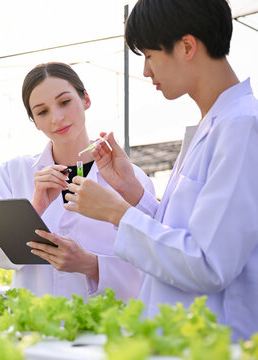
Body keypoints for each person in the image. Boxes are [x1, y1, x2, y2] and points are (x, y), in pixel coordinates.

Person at [62, 0, 258, 341]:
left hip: (215, 342)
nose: (146, 71)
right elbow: (186, 234)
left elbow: (208, 264)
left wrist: (117, 214)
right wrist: (136, 196)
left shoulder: (242, 127)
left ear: (186, 47)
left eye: (149, 55)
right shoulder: (215, 125)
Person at [0, 62, 155, 300]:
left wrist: (91, 265)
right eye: (42, 112)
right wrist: (35, 208)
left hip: (105, 327)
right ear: (34, 121)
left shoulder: (131, 178)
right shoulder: (13, 173)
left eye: (65, 102)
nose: (57, 118)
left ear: (85, 100)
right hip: (36, 326)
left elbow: (152, 261)